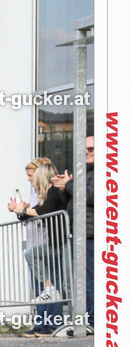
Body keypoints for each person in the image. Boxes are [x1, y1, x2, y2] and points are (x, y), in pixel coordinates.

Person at [13, 162, 69, 334]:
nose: (32, 180)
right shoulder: (46, 193)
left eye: (34, 177)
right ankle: (44, 322)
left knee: (55, 281)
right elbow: (34, 211)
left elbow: (43, 211)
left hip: (58, 243)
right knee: (44, 287)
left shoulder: (53, 191)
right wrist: (20, 211)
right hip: (52, 243)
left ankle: (53, 322)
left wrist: (23, 209)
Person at [52, 135, 94, 329]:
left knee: (89, 280)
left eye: (91, 148)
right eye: (84, 148)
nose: (86, 151)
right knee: (81, 280)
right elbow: (74, 199)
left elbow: (91, 196)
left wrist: (68, 185)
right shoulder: (85, 171)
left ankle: (92, 321)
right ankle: (84, 320)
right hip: (80, 233)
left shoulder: (105, 171)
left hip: (91, 234)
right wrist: (64, 187)